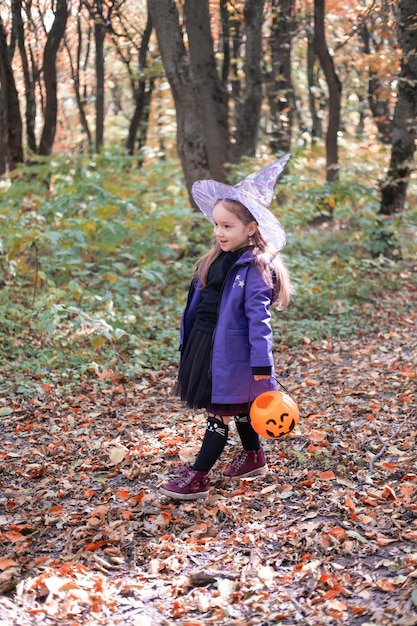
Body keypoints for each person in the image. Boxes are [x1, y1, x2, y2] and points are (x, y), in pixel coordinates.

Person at [160, 155, 295, 500]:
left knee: (219, 412)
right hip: (206, 345)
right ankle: (253, 456)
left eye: (227, 226)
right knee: (238, 407)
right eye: (216, 225)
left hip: (234, 355)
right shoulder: (215, 259)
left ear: (250, 228)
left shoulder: (255, 268)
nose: (219, 232)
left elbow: (258, 321)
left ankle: (198, 476)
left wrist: (262, 367)